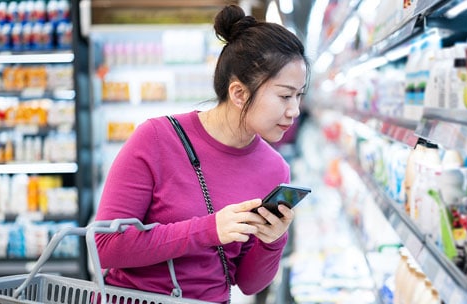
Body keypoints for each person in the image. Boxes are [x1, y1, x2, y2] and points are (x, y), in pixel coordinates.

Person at [94, 4, 310, 304]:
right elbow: (106, 246)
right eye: (285, 95)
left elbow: (248, 284)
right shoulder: (157, 138)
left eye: (299, 95)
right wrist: (208, 230)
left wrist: (272, 241)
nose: (294, 110)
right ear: (239, 93)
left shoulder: (275, 169)